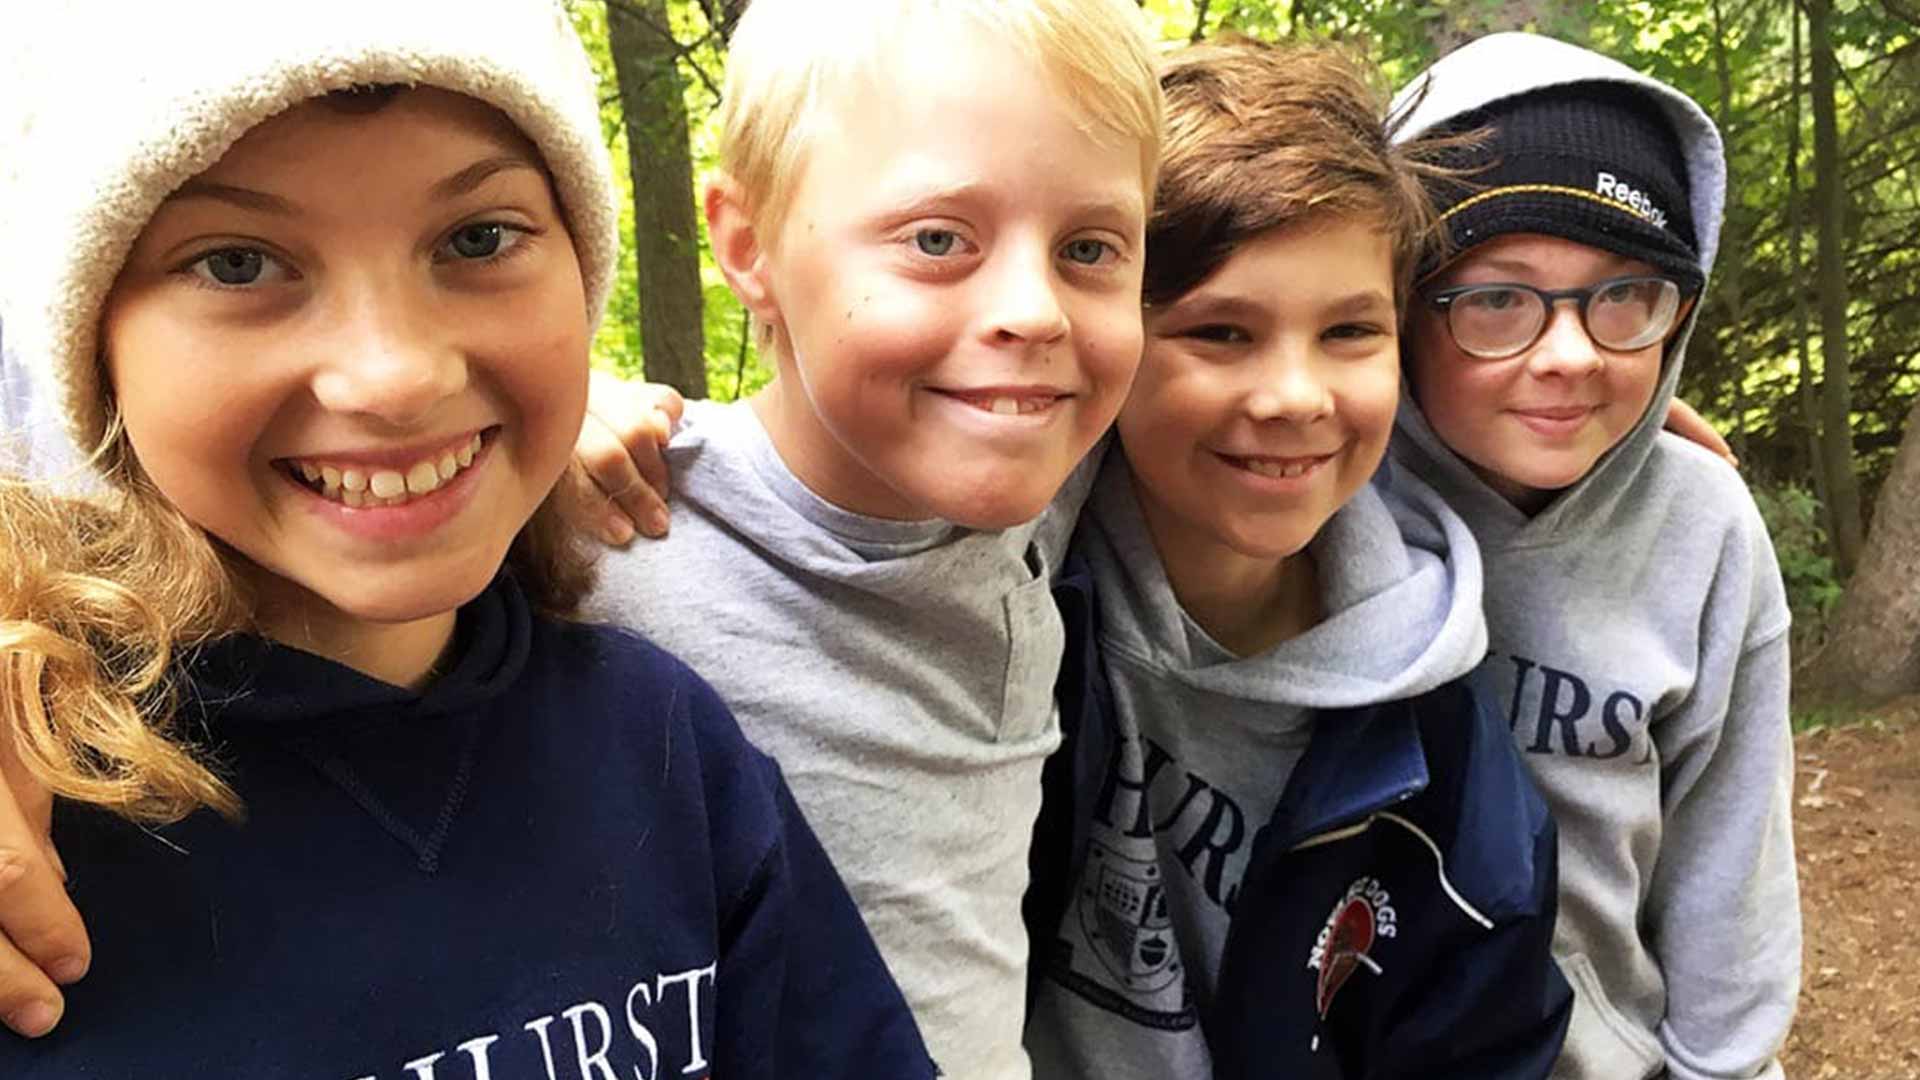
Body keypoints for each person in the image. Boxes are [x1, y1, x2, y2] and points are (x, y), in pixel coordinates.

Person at [0, 1, 933, 1074]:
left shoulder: (666, 750)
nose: (394, 377)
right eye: (238, 264)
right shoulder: (36, 832)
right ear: (94, 343)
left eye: (478, 239)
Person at [1020, 38, 1570, 1079]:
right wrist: (612, 424)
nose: (1294, 396)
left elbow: (1491, 1034)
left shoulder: (1443, 750)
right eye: (1222, 332)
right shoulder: (1004, 593)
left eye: (1350, 331)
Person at [1388, 31, 1801, 1080]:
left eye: (1625, 295)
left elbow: (1731, 885)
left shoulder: (1701, 529)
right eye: (1496, 297)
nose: (1571, 354)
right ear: (1396, 305)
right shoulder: (1299, 489)